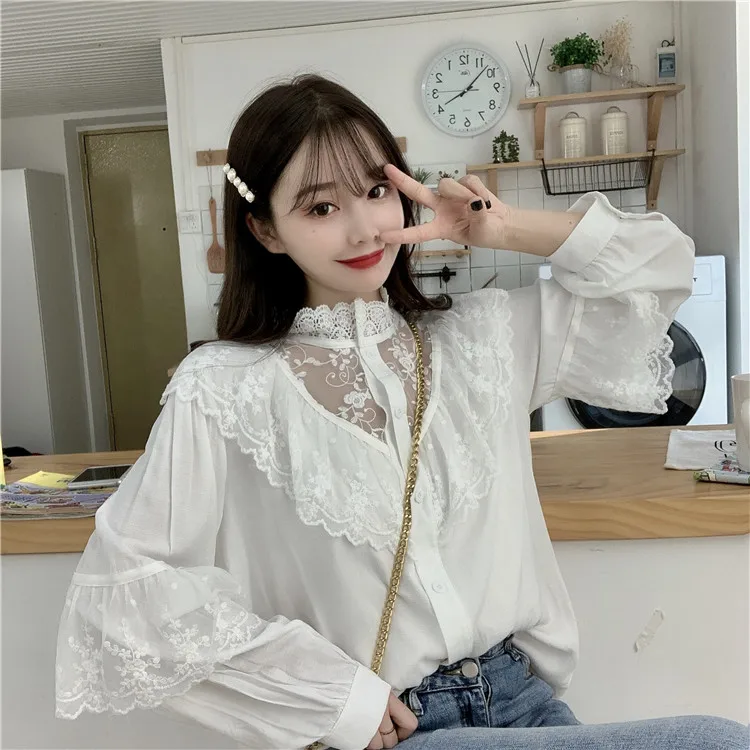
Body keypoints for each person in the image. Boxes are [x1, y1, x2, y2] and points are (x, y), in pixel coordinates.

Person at [55, 74, 747, 750]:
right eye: (320, 208)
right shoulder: (222, 388)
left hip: (527, 704)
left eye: (376, 191)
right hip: (392, 729)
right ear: (266, 230)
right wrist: (326, 695)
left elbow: (662, 266)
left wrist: (501, 226)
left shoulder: (484, 339)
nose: (365, 229)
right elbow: (122, 592)